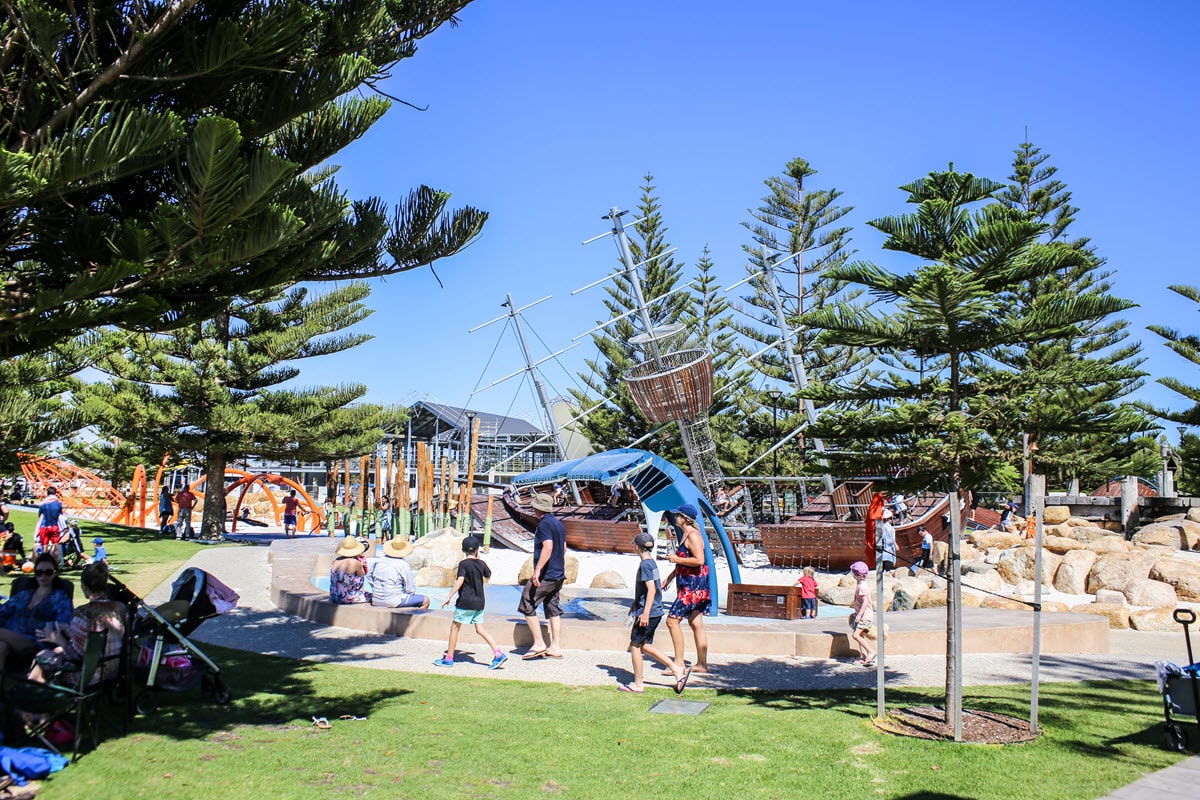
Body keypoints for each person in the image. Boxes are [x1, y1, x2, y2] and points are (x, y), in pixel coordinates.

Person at [30, 561, 126, 683]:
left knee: (43, 656)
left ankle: (30, 688)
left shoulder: (83, 614)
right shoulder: (119, 608)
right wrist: (69, 629)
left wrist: (57, 638)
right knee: (55, 651)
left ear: (84, 587)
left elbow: (75, 656)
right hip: (114, 669)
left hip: (87, 676)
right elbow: (95, 637)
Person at [619, 531, 688, 694]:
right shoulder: (651, 563)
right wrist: (635, 605)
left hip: (649, 612)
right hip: (653, 610)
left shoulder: (645, 565)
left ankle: (638, 683)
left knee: (635, 646)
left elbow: (651, 590)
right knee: (645, 645)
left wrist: (645, 613)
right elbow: (649, 590)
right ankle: (676, 669)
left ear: (637, 547)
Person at [435, 535, 506, 669]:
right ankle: (498, 653)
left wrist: (449, 596)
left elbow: (460, 581)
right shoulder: (481, 563)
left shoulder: (463, 564)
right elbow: (488, 575)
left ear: (463, 550)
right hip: (479, 602)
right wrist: (479, 561)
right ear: (477, 550)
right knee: (480, 629)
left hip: (466, 601)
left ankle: (449, 658)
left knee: (455, 628)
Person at [0, 552, 74, 671]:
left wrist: (48, 627)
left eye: (48, 572)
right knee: (1, 647)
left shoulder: (60, 597)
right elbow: (4, 610)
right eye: (39, 573)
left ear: (55, 573)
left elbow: (65, 622)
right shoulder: (25, 595)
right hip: (10, 637)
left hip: (34, 641)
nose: (43, 576)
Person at [662, 503, 711, 675]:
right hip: (689, 583)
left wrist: (676, 559)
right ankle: (701, 664)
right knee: (695, 622)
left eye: (678, 515)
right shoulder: (686, 534)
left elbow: (699, 560)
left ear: (684, 518)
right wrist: (670, 577)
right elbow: (686, 560)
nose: (675, 517)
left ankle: (679, 663)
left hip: (692, 586)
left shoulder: (693, 536)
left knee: (672, 621)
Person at [518, 493, 566, 659]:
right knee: (552, 607)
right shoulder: (558, 524)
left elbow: (548, 546)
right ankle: (555, 647)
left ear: (538, 508)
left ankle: (539, 643)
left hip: (547, 574)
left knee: (527, 601)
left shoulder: (544, 524)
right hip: (559, 574)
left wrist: (538, 570)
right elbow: (564, 547)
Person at [369, 538, 429, 609]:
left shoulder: (379, 561)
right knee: (426, 600)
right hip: (394, 601)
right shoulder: (403, 564)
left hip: (376, 599)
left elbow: (369, 577)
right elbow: (410, 588)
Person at [848, 560, 875, 667]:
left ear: (857, 575)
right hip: (861, 614)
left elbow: (865, 602)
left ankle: (870, 651)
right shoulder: (860, 584)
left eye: (853, 572)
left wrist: (859, 615)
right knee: (861, 635)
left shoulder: (862, 587)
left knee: (855, 635)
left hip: (865, 616)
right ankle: (863, 657)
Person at [329, 537, 369, 605]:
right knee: (372, 596)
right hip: (347, 597)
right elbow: (361, 579)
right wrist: (362, 567)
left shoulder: (336, 560)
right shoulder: (355, 563)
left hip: (334, 595)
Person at [35, 486, 65, 558]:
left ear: (47, 493)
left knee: (44, 546)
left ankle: (44, 562)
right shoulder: (59, 503)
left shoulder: (43, 503)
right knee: (55, 546)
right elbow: (60, 514)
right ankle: (56, 564)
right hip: (55, 525)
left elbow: (40, 516)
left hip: (44, 526)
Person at [877, 508, 897, 573]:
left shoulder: (881, 526)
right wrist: (895, 544)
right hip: (888, 549)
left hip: (883, 548)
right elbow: (891, 539)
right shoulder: (888, 527)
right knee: (888, 567)